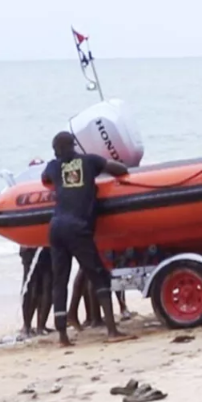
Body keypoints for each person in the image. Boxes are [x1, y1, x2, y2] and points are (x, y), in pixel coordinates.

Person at [41, 132, 131, 347]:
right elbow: (120, 169)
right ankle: (112, 330)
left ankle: (62, 337)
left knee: (59, 281)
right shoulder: (89, 160)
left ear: (55, 151)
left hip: (56, 227)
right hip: (78, 227)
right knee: (99, 276)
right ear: (74, 146)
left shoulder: (53, 166)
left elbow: (45, 179)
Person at [19, 246, 52, 338]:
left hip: (33, 244)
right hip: (36, 246)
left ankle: (34, 326)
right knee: (36, 286)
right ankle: (33, 326)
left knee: (42, 285)